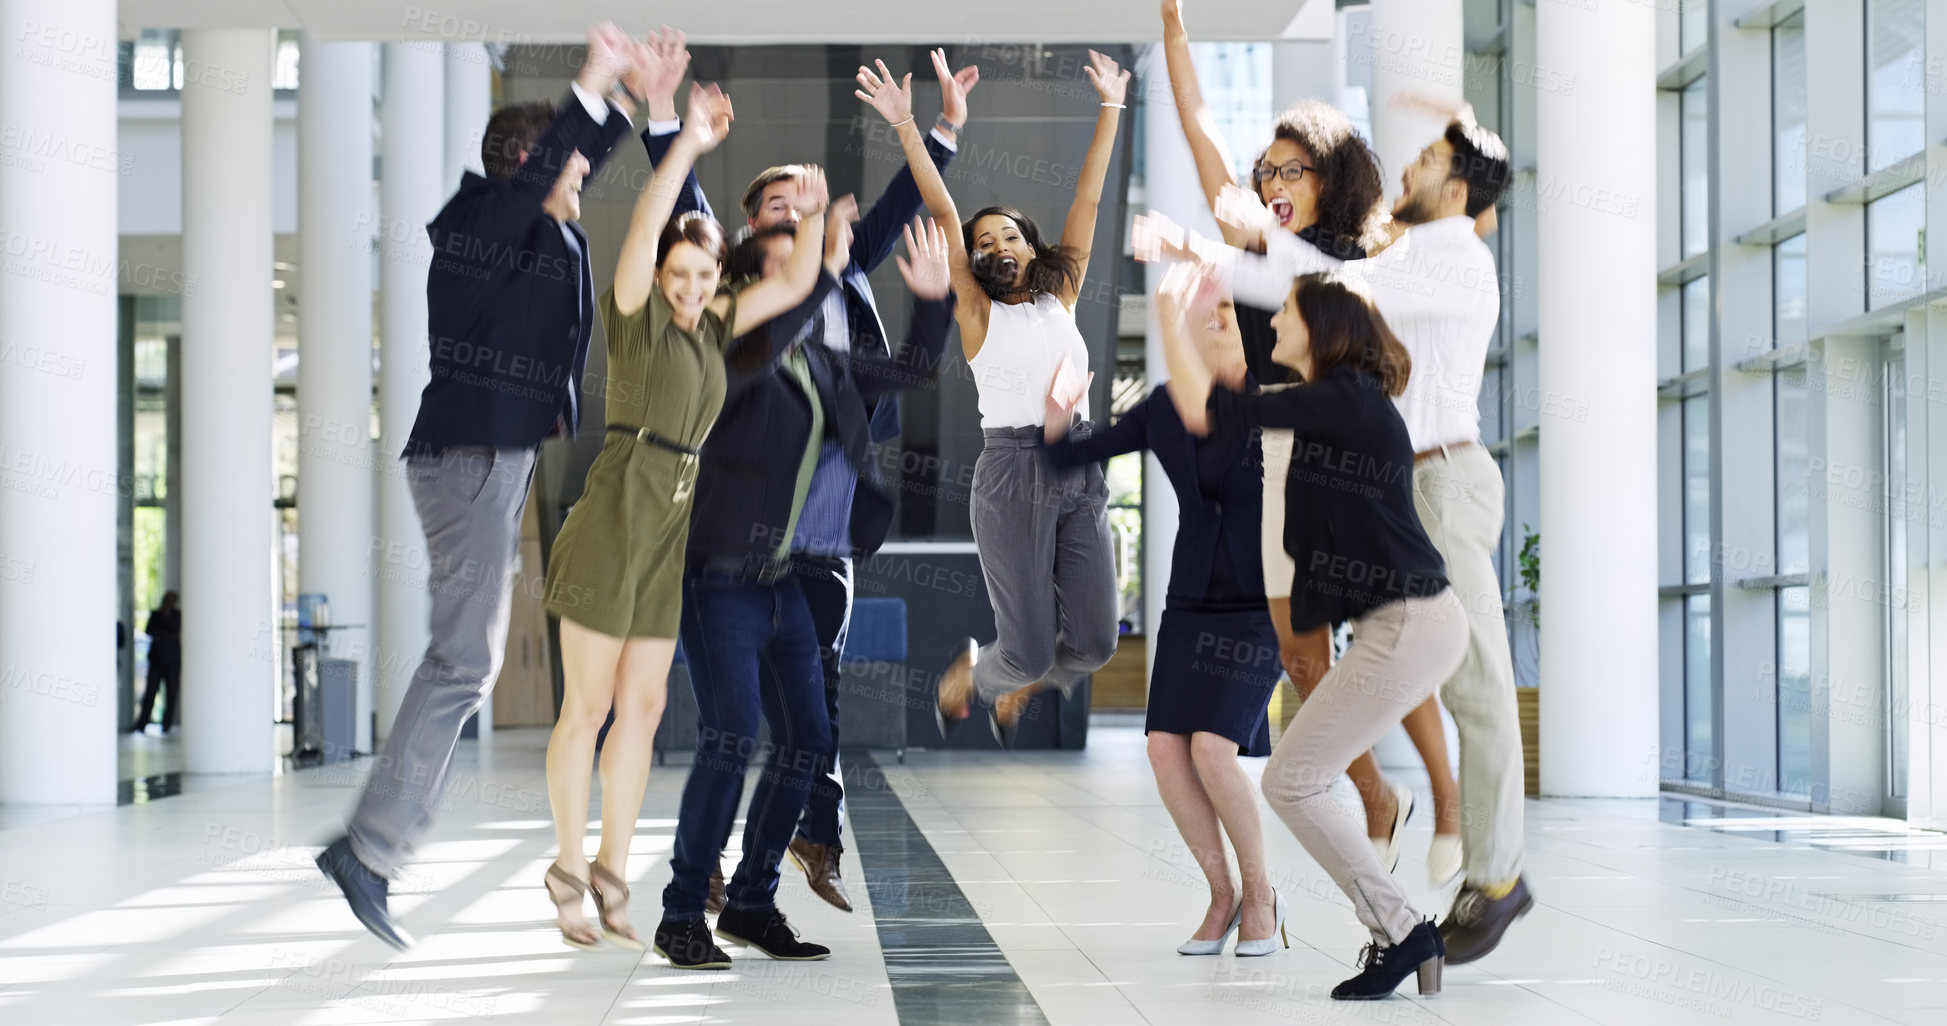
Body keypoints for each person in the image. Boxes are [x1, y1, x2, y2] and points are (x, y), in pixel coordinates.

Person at [314, 23, 640, 951]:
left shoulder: (530, 224)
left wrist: (637, 106)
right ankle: (368, 851)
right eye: (570, 170)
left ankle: (369, 848)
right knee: (465, 663)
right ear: (533, 166)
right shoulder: (478, 222)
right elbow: (545, 179)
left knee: (466, 660)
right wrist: (588, 81)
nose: (583, 183)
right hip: (469, 458)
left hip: (490, 460)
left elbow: (571, 166)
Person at [634, 28, 973, 916]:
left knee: (809, 711)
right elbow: (684, 210)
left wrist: (932, 132)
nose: (795, 213)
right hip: (737, 532)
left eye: (807, 204)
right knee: (734, 722)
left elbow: (900, 223)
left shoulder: (842, 280)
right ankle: (705, 873)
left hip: (821, 528)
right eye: (776, 206)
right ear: (751, 229)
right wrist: (667, 119)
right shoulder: (734, 304)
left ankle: (800, 849)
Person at [1207, 102, 1529, 964]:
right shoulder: (1422, 248)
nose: (1408, 170)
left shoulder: (1455, 254)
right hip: (1408, 483)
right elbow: (1317, 288)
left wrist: (1233, 243)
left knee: (1477, 686)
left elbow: (1335, 286)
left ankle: (1495, 876)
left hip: (1442, 479)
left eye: (1426, 159)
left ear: (1456, 190)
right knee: (1404, 666)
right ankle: (1409, 832)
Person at [1159, 0, 1463, 884]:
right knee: (1299, 650)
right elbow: (1195, 123)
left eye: (1292, 168)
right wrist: (1173, 24)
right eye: (1265, 172)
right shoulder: (1252, 244)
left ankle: (1444, 798)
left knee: (1383, 623)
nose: (1272, 181)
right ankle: (1371, 793)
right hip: (1276, 454)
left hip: (1353, 452)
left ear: (1330, 175)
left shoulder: (1358, 263)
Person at [541, 56, 837, 953]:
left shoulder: (718, 326)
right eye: (681, 272)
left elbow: (792, 285)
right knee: (587, 709)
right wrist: (686, 142)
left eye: (704, 277)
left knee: (644, 709)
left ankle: (612, 865)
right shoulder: (635, 309)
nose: (691, 287)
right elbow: (641, 225)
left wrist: (816, 214)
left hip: (672, 526)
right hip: (616, 510)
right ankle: (563, 862)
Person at [651, 213, 958, 970]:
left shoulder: (820, 360)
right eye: (785, 269)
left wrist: (932, 298)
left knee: (806, 743)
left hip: (784, 579)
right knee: (730, 734)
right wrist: (819, 264)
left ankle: (753, 902)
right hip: (717, 575)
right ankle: (682, 909)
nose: (806, 281)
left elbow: (910, 371)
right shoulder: (721, 348)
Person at [1158, 260, 1465, 1000]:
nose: (1271, 324)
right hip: (1404, 621)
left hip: (1410, 622)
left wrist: (1171, 318)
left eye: (1285, 313)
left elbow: (1216, 412)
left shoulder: (1343, 400)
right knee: (1293, 777)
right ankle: (1400, 931)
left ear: (1322, 327)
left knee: (1290, 777)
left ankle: (1402, 931)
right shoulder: (1335, 403)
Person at [860, 48, 1127, 744]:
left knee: (1095, 645)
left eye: (1010, 234)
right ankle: (972, 680)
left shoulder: (1058, 297)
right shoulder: (978, 314)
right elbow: (944, 212)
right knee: (1030, 647)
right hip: (1011, 473)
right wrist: (908, 127)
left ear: (1031, 248)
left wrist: (1112, 107)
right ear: (975, 261)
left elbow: (1089, 198)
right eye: (986, 242)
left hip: (1079, 464)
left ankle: (1011, 683)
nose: (999, 243)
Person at [1041, 289, 1285, 956]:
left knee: (1212, 749)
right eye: (1199, 312)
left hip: (1265, 603)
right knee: (1164, 750)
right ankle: (1221, 894)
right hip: (1190, 600)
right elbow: (1067, 458)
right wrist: (1057, 416)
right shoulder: (1162, 405)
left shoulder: (1276, 400)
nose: (1211, 318)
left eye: (1226, 312)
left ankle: (1262, 894)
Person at [129, 591, 181, 734]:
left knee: (171, 693)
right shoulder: (156, 614)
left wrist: (162, 632)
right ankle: (141, 724)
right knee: (150, 693)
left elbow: (174, 632)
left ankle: (167, 725)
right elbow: (149, 630)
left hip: (172, 662)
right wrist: (166, 632)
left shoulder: (177, 616)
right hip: (156, 660)